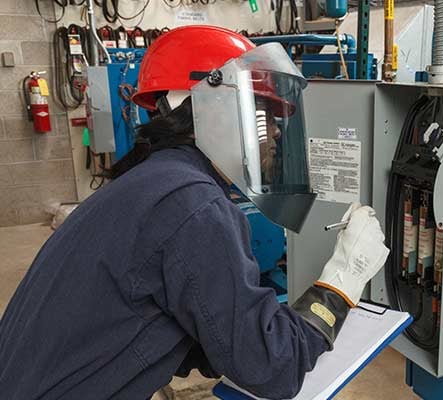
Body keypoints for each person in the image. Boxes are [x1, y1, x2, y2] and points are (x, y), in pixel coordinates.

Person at [0, 26, 389, 400]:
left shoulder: (155, 181)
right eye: (261, 113)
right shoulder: (192, 205)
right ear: (211, 105)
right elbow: (274, 369)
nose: (273, 133)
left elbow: (170, 323)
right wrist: (343, 278)